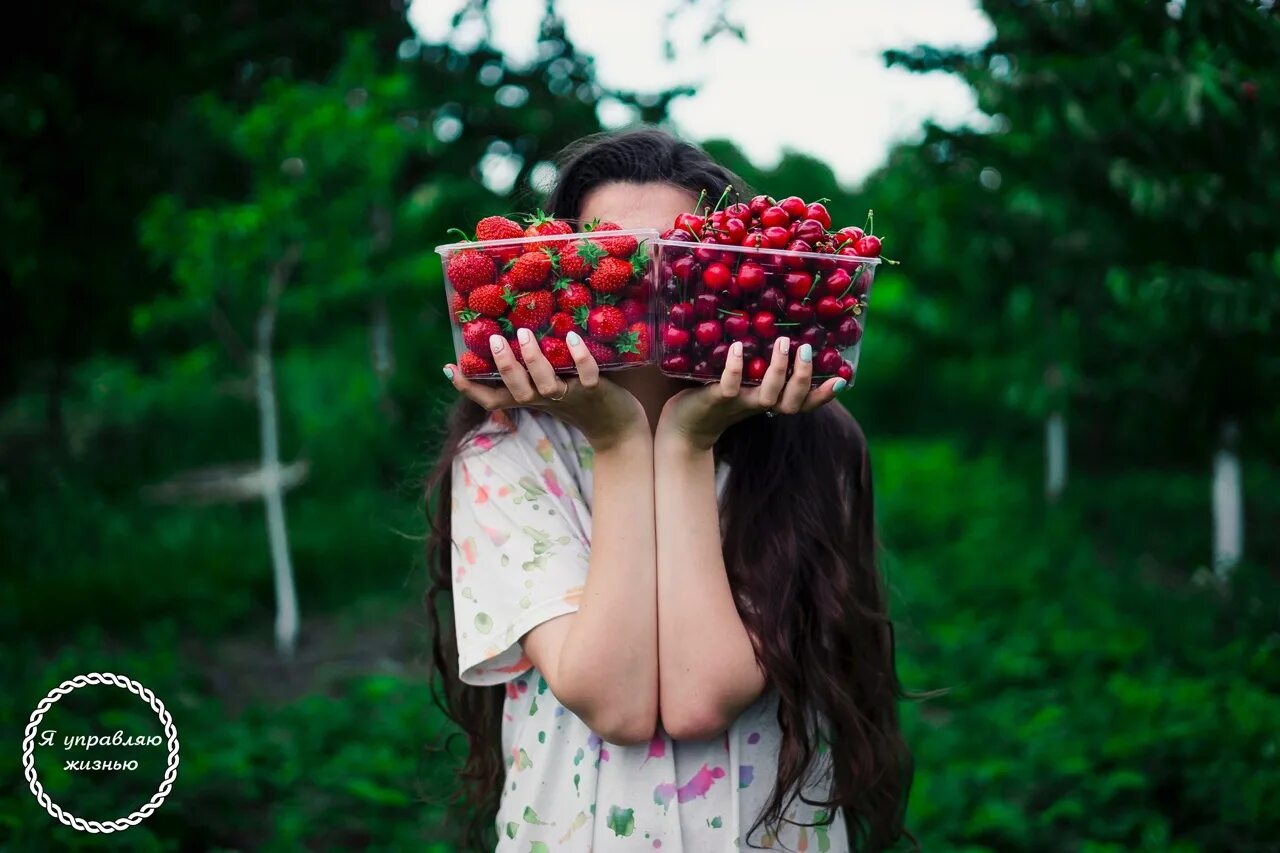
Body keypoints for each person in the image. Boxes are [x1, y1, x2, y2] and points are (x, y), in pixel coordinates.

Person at [425, 127, 913, 852]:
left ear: (728, 265)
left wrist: (685, 440)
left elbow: (699, 697)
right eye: (610, 251)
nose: (639, 275)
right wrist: (622, 439)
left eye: (673, 254)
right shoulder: (506, 454)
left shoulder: (809, 443)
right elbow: (616, 703)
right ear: (559, 267)